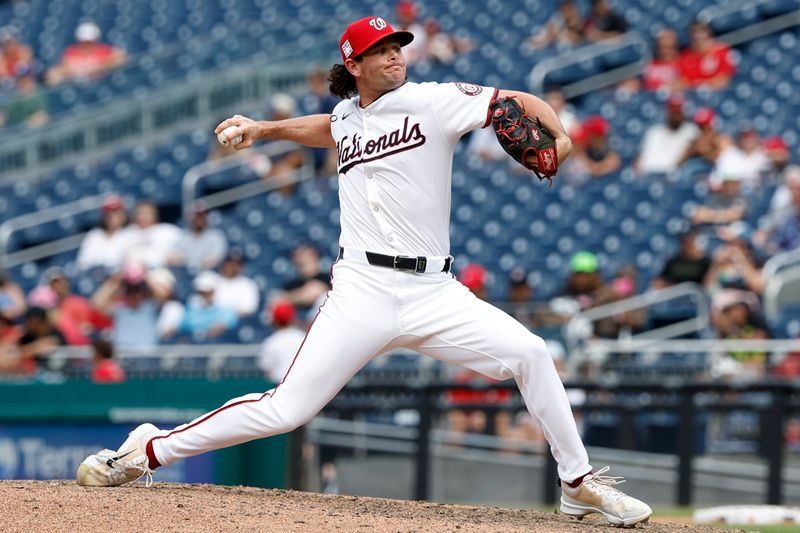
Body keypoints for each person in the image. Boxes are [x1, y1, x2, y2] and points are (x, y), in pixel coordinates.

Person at [77, 15, 652, 527]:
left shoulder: (433, 100)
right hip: (363, 289)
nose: (395, 55)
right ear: (354, 64)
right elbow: (330, 128)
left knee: (531, 354)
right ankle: (146, 451)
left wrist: (564, 138)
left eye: (397, 46)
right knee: (287, 409)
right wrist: (267, 129)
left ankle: (577, 487)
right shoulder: (348, 113)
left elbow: (520, 101)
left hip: (434, 290)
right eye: (380, 50)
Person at [634, 94, 699, 175]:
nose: (676, 114)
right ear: (668, 111)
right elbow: (639, 158)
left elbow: (693, 151)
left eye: (678, 110)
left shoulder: (691, 130)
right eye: (673, 110)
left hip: (671, 176)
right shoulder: (654, 131)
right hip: (647, 174)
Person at [46, 21, 127, 85]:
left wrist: (101, 67)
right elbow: (65, 68)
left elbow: (121, 57)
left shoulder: (103, 49)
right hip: (77, 85)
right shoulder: (71, 51)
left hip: (100, 84)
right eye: (84, 41)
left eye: (89, 41)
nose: (87, 44)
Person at [76, 194, 132, 272]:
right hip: (94, 275)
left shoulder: (131, 233)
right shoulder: (95, 235)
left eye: (116, 212)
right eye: (109, 213)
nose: (113, 217)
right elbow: (83, 263)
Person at [167, 201, 228, 271]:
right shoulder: (182, 235)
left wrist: (188, 260)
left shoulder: (216, 236)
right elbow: (171, 258)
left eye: (202, 215)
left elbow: (216, 258)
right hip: (185, 272)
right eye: (197, 215)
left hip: (208, 273)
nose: (200, 219)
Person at [676, 22, 735, 91]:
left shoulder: (722, 51)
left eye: (702, 31)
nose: (698, 35)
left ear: (709, 32)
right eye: (694, 32)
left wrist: (702, 84)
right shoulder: (686, 56)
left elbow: (724, 81)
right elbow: (682, 82)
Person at [258, 300, 306, 383]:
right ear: (292, 319)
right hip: (302, 383)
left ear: (274, 321)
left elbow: (267, 372)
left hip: (279, 386)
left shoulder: (270, 342)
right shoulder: (303, 337)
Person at [212, 248, 260, 318]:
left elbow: (249, 309)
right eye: (230, 263)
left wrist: (228, 318)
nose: (233, 267)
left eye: (237, 264)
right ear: (223, 263)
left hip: (239, 322)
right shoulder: (212, 280)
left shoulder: (248, 285)